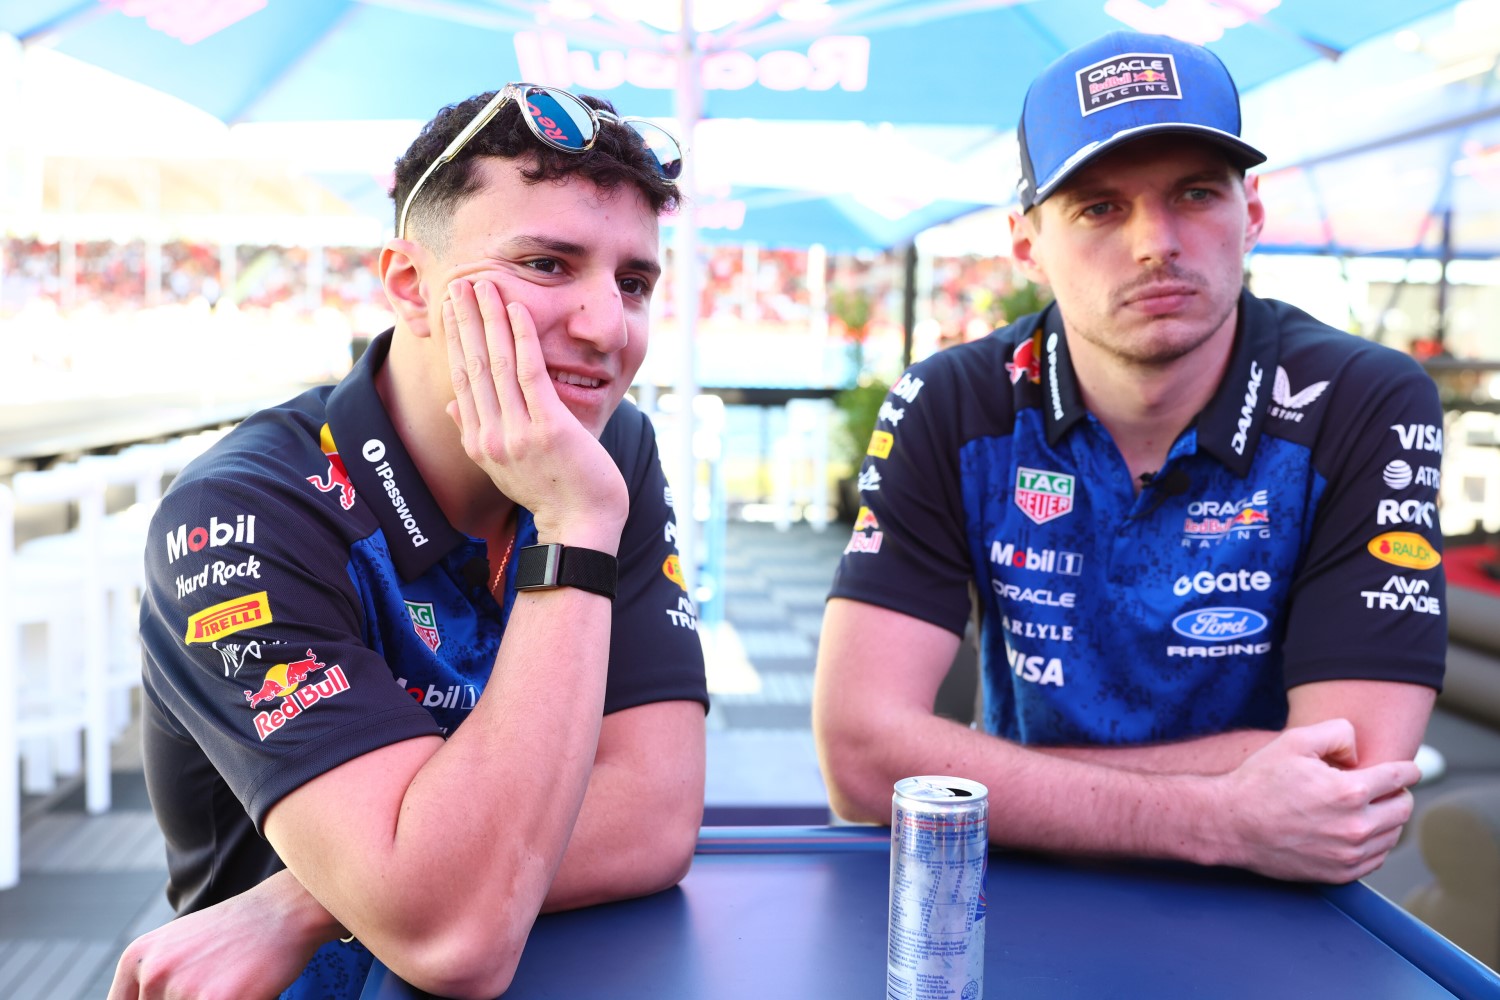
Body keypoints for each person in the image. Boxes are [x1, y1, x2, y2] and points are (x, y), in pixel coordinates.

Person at [109, 84, 707, 999]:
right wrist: (576, 530)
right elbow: (457, 934)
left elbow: (660, 815)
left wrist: (306, 900)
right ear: (407, 284)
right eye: (547, 264)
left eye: (633, 282)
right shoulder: (244, 512)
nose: (606, 326)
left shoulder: (608, 449)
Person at [814, 31, 1446, 885]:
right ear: (1026, 242)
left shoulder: (1360, 401)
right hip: (1021, 889)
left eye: (1194, 193)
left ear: (1250, 214)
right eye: (1100, 207)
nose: (1157, 243)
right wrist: (1221, 812)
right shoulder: (954, 405)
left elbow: (1344, 782)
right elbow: (860, 760)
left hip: (1272, 913)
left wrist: (970, 773)